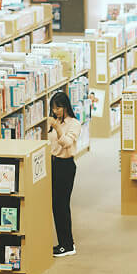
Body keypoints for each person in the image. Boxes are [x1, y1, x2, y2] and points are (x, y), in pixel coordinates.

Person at [47, 90, 81, 257]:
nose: (55, 111)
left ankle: (67, 245)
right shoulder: (54, 121)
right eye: (53, 108)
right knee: (56, 205)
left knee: (62, 205)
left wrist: (57, 128)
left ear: (65, 107)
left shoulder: (74, 123)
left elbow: (66, 143)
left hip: (65, 166)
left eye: (58, 108)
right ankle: (64, 242)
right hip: (53, 164)